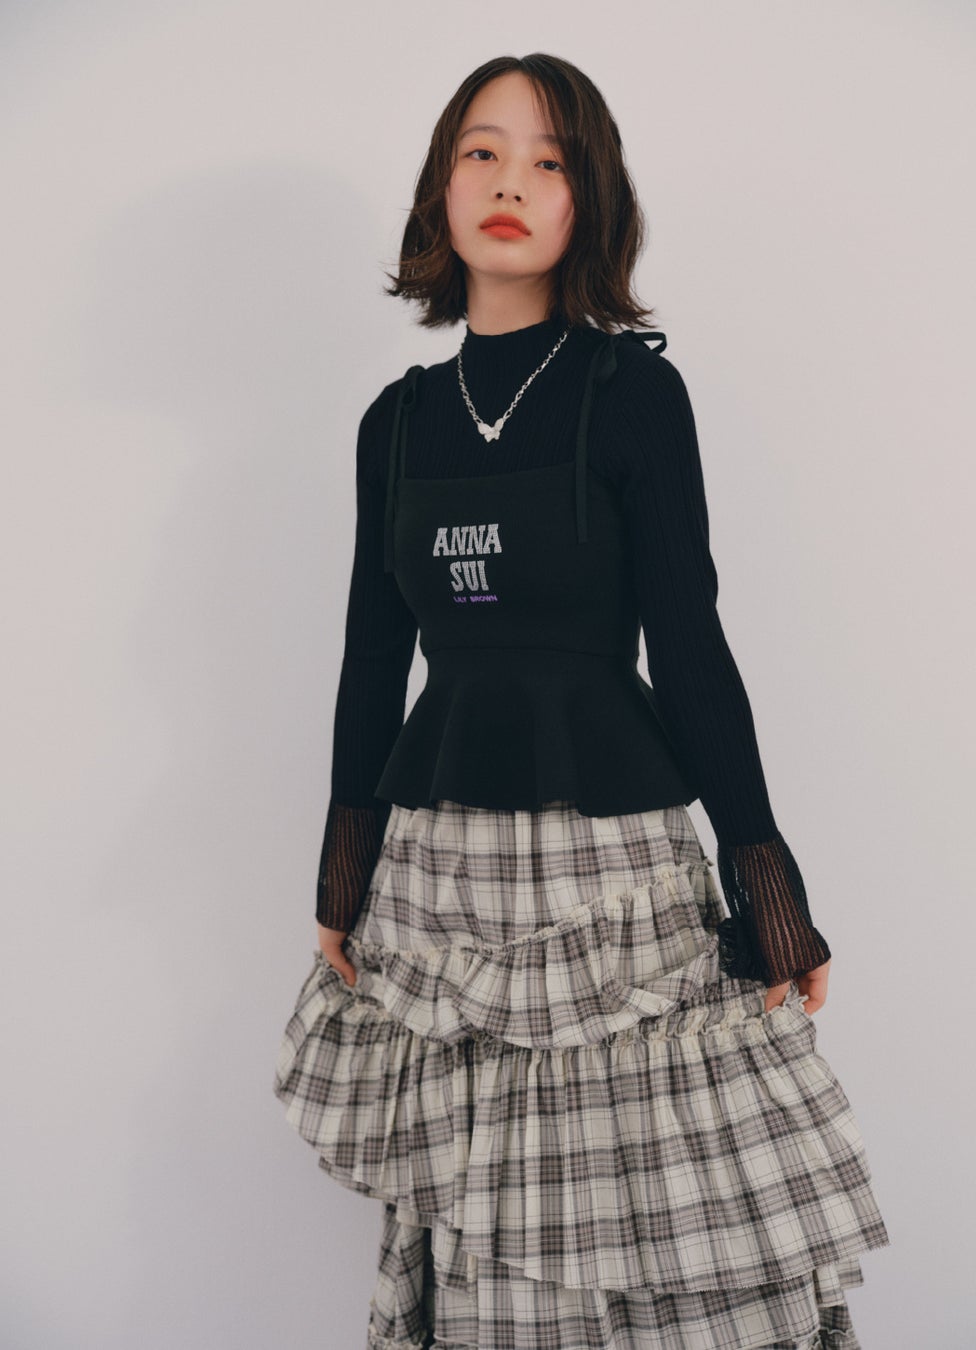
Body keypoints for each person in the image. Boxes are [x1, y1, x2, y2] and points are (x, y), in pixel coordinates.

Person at [273, 52, 890, 1350]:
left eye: (548, 161)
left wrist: (765, 877)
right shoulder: (396, 424)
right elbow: (372, 658)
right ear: (441, 187)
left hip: (610, 875)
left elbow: (690, 643)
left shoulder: (632, 395)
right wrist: (342, 878)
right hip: (443, 879)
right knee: (483, 1211)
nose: (510, 183)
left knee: (655, 1201)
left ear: (588, 198)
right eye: (482, 153)